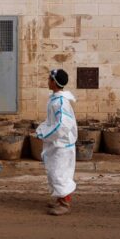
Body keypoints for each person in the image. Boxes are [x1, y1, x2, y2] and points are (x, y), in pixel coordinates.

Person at [35, 69, 77, 216]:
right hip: (56, 143)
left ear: (54, 82)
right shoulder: (54, 99)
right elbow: (51, 122)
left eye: (49, 79)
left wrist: (46, 135)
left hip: (62, 145)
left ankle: (64, 204)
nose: (47, 81)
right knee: (54, 172)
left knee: (60, 174)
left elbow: (62, 125)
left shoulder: (60, 102)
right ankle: (60, 200)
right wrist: (41, 130)